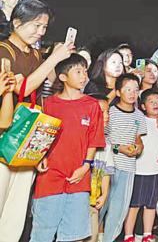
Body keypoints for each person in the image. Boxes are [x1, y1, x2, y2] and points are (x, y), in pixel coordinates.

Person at [0, 0, 73, 242]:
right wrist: (53, 59)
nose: (41, 32)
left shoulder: (34, 54)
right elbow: (22, 89)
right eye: (36, 25)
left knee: (16, 210)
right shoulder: (3, 50)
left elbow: (39, 97)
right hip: (4, 136)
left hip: (25, 140)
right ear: (17, 23)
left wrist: (39, 148)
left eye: (44, 27)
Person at [30, 54, 105, 242]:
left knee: (75, 234)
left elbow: (94, 139)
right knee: (42, 233)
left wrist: (86, 166)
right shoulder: (48, 104)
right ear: (63, 77)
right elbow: (41, 137)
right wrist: (39, 158)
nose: (84, 76)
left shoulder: (92, 105)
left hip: (79, 178)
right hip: (49, 178)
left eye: (85, 71)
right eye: (78, 71)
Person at [124, 89, 158, 242]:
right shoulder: (139, 121)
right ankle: (128, 235)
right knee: (134, 205)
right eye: (151, 101)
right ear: (143, 106)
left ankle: (147, 234)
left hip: (156, 171)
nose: (155, 104)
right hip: (139, 170)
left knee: (151, 205)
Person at [102, 73, 147, 242]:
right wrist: (119, 148)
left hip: (128, 168)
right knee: (100, 206)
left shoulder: (139, 115)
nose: (132, 93)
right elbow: (104, 141)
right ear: (118, 92)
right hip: (107, 166)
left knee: (119, 210)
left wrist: (139, 147)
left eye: (135, 90)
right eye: (128, 89)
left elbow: (138, 138)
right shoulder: (110, 113)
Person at [87, 94, 114, 242]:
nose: (107, 116)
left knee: (93, 235)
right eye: (102, 112)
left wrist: (104, 194)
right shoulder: (81, 138)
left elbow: (106, 171)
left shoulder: (107, 143)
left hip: (94, 198)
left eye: (107, 112)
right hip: (77, 197)